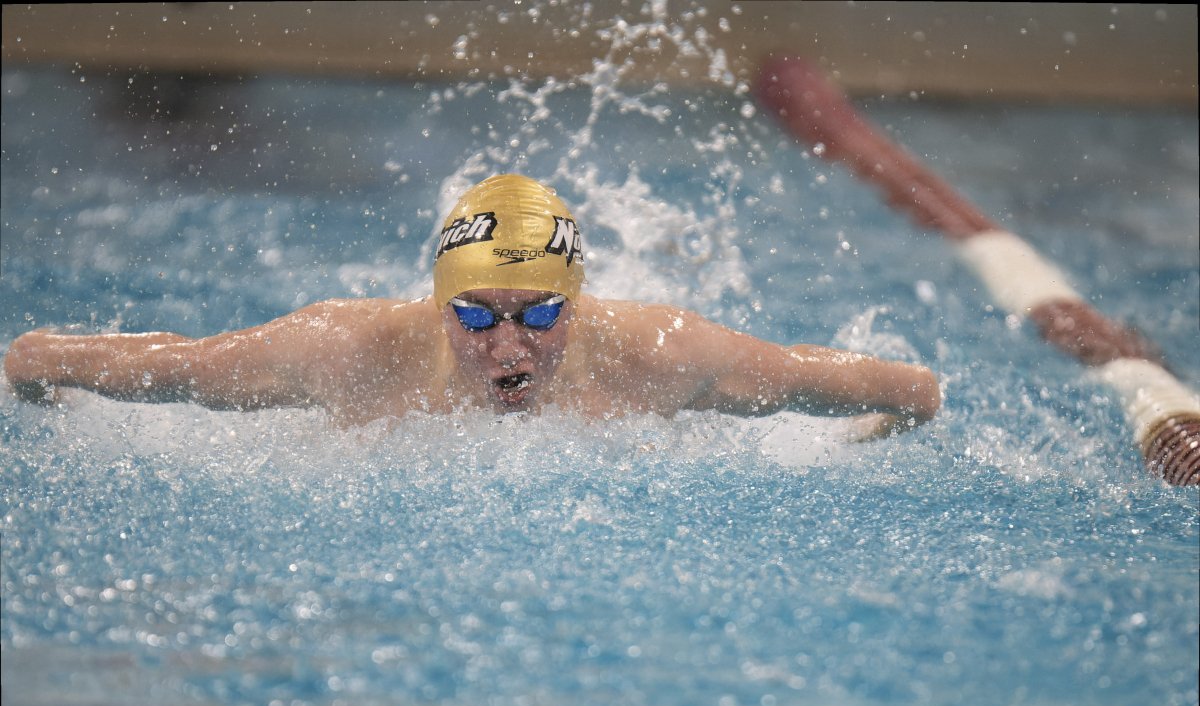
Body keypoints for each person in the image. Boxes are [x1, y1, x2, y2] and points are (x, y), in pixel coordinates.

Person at [4, 174, 940, 437]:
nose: (508, 345)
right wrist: (37, 369)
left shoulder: (664, 354)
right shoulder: (343, 352)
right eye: (477, 315)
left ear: (579, 306)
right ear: (437, 304)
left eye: (541, 315)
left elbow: (908, 391)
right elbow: (175, 366)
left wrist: (864, 439)